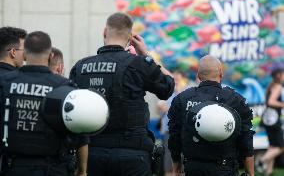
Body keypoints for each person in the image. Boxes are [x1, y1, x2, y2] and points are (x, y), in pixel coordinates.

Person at [69, 12, 175, 176]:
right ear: (130, 37)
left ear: (105, 32)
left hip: (92, 154)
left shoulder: (80, 67)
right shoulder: (138, 64)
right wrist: (145, 54)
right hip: (132, 156)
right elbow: (168, 86)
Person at [0, 31, 88, 176]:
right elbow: (80, 133)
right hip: (54, 168)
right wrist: (82, 170)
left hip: (14, 167)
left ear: (25, 55)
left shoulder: (5, 83)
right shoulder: (66, 87)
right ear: (50, 55)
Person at [168, 55, 254, 176]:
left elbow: (174, 138)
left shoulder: (182, 99)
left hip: (193, 168)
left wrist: (176, 170)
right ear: (221, 73)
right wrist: (250, 173)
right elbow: (246, 139)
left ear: (198, 75)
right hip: (225, 168)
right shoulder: (235, 99)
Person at [157, 71, 188, 176]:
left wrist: (168, 108)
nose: (176, 82)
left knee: (183, 164)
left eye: (178, 80)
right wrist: (160, 108)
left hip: (183, 133)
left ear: (184, 80)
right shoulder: (168, 93)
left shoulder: (187, 93)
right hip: (168, 132)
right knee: (169, 162)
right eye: (174, 79)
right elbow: (161, 111)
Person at [257, 68, 284, 176]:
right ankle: (261, 161)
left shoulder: (271, 85)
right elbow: (271, 101)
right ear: (279, 75)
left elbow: (267, 101)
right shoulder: (277, 86)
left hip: (268, 118)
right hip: (273, 119)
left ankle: (269, 171)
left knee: (273, 145)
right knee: (281, 147)